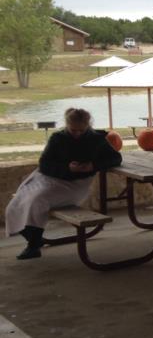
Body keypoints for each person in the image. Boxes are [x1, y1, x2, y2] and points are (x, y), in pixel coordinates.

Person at [6, 108, 122, 260]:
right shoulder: (57, 138)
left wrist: (93, 165)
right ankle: (33, 238)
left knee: (38, 200)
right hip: (48, 177)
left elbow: (115, 159)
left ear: (88, 126)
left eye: (81, 130)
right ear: (67, 125)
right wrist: (67, 167)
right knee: (17, 202)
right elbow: (45, 163)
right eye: (73, 130)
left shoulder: (96, 139)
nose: (77, 134)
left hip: (76, 184)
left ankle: (33, 246)